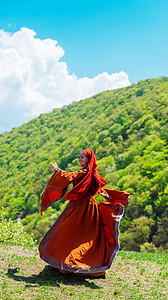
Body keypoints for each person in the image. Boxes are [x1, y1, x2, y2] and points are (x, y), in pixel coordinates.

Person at [39, 148, 129, 277]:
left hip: (81, 207)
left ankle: (72, 263)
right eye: (79, 156)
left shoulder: (85, 172)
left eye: (83, 157)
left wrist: (57, 171)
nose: (80, 159)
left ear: (89, 159)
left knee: (70, 232)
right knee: (80, 235)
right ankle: (68, 262)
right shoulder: (92, 173)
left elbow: (71, 176)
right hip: (88, 207)